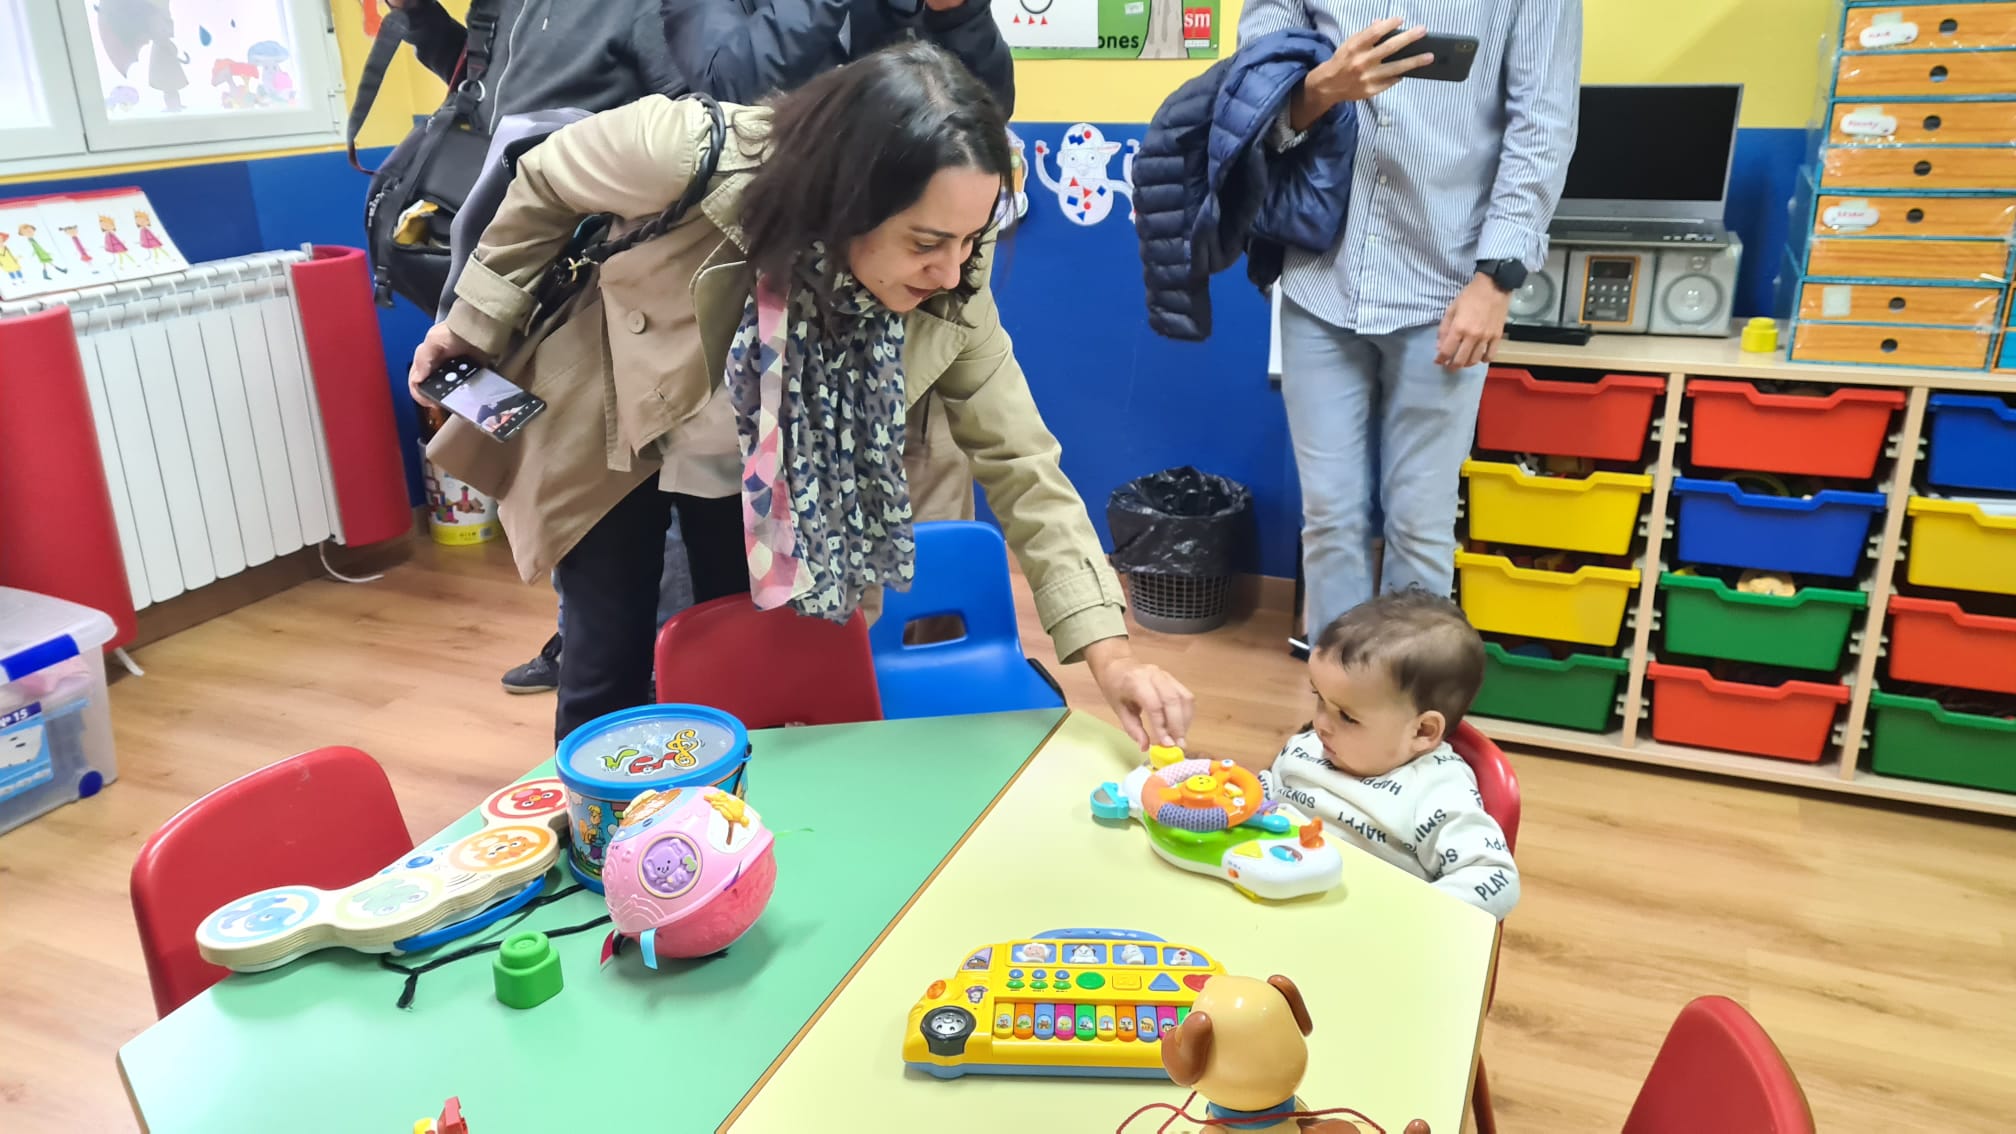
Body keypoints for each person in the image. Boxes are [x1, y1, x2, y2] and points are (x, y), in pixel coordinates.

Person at [410, 43, 1196, 751]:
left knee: (746, 655)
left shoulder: (956, 286)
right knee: (604, 658)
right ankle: (600, 849)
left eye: (969, 239)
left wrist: (1110, 653)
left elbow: (1024, 458)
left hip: (764, 467)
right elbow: (543, 175)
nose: (952, 271)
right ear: (845, 199)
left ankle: (724, 841)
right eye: (926, 243)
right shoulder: (690, 149)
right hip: (621, 415)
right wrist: (475, 322)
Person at [1240, 1, 1581, 637]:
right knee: (1331, 519)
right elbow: (1253, 90)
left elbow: (1543, 121)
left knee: (1419, 524)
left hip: (1447, 283)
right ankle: (1336, 712)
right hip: (1320, 274)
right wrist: (1317, 90)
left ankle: (1407, 719)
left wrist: (1496, 276)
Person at [384, 0, 692, 693]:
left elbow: (693, 124)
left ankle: (660, 665)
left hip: (617, 298)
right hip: (527, 284)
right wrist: (424, 22)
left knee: (631, 507)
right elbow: (494, 99)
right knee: (571, 514)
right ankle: (592, 645)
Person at [1253, 590, 1517, 918]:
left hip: (1362, 933)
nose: (1321, 724)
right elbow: (1265, 795)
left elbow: (1495, 877)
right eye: (1318, 697)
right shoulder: (1308, 747)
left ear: (1422, 732)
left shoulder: (1437, 790)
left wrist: (1401, 914)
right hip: (1269, 898)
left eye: (1347, 716)